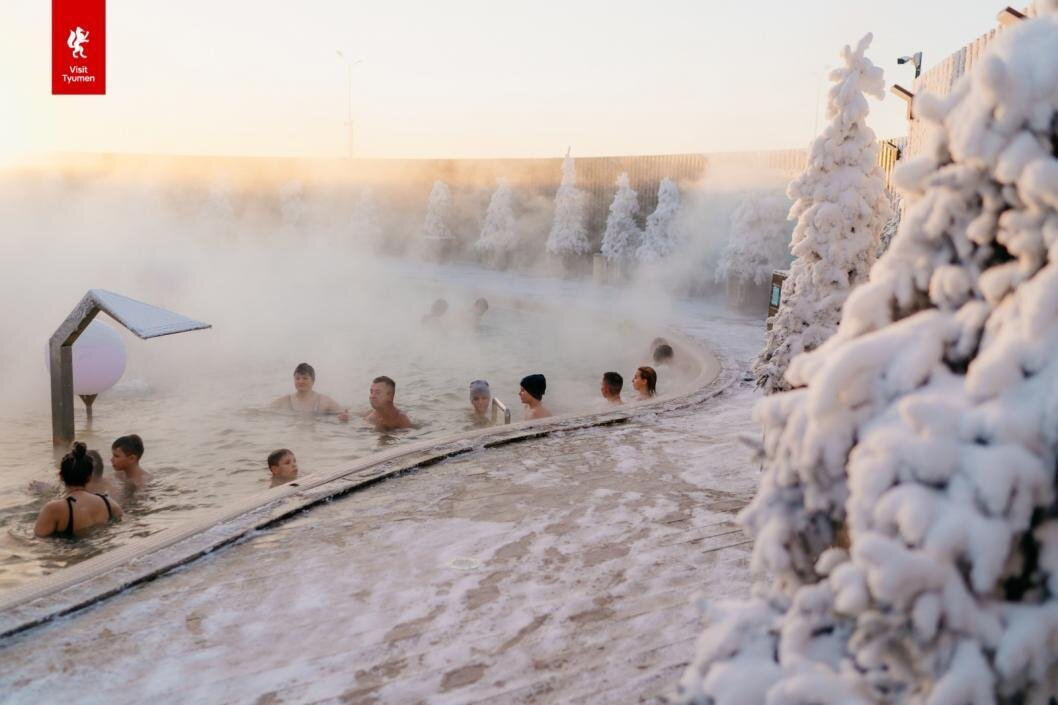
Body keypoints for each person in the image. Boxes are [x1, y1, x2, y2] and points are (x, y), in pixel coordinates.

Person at [35, 442, 122, 538]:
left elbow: (37, 541)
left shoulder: (53, 509)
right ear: (89, 477)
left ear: (61, 476)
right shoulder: (109, 504)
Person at [270, 363, 349, 421]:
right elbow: (263, 412)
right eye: (297, 378)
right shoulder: (286, 400)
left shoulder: (323, 401)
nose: (300, 381)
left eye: (305, 378)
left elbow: (345, 413)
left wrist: (344, 417)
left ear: (313, 381)